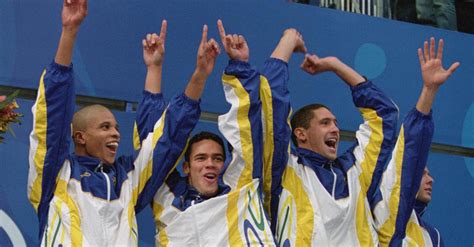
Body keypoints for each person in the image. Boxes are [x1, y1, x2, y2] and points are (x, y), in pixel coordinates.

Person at [26, 0, 210, 245]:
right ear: (79, 136)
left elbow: (166, 139)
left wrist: (197, 75)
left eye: (116, 127)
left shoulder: (129, 179)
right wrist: (69, 31)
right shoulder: (55, 175)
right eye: (105, 127)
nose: (116, 134)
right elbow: (52, 117)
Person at [137, 20, 276, 246]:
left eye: (218, 158)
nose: (210, 163)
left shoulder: (238, 188)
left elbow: (245, 129)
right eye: (201, 158)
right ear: (186, 167)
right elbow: (157, 142)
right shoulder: (166, 196)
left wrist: (240, 65)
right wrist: (159, 69)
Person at [258, 28, 399, 245]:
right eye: (325, 123)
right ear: (301, 134)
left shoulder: (356, 172)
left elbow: (385, 115)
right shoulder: (286, 171)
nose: (335, 129)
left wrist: (335, 65)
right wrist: (288, 41)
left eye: (336, 123)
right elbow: (270, 104)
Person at [372, 37, 459, 246]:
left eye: (428, 174)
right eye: (423, 174)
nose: (431, 180)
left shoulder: (433, 237)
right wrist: (429, 92)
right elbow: (410, 154)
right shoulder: (382, 213)